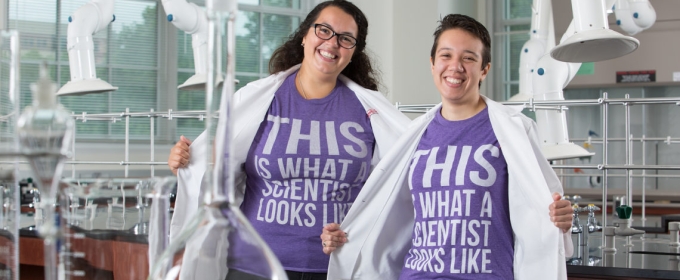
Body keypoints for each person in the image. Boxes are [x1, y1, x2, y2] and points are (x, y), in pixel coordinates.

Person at [168, 1, 410, 279]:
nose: (332, 43)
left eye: (345, 39)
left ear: (354, 51)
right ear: (305, 35)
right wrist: (184, 163)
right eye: (324, 30)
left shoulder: (369, 111)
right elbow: (212, 169)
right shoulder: (257, 100)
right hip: (254, 266)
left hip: (335, 266)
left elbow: (391, 186)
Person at [324, 14, 574, 279]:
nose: (456, 66)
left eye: (469, 58)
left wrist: (561, 218)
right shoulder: (412, 136)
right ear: (432, 64)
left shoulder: (514, 130)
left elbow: (546, 207)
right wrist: (345, 233)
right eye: (446, 55)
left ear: (484, 69)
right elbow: (380, 211)